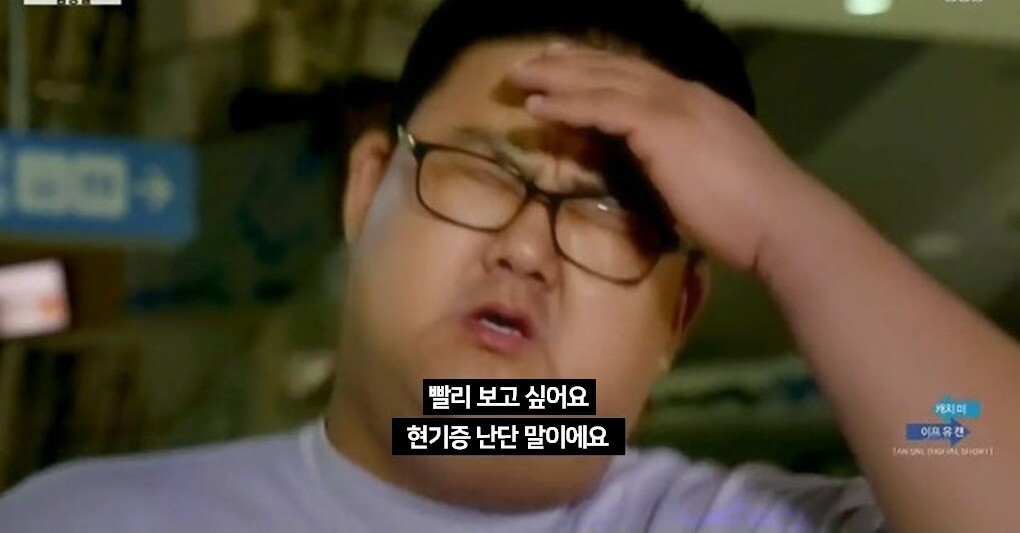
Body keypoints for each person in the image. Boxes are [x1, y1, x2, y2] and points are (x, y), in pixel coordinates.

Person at [2, 0, 1018, 531]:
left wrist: (789, 224)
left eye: (611, 212)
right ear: (366, 191)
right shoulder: (83, 521)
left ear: (680, 315)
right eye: (486, 173)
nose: (527, 249)